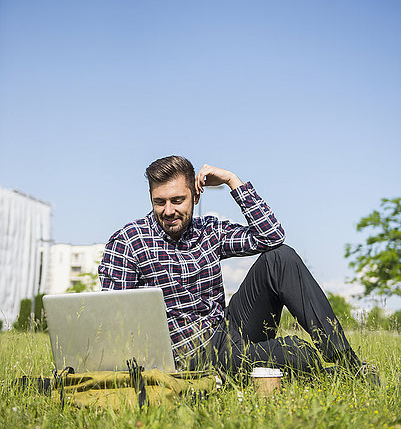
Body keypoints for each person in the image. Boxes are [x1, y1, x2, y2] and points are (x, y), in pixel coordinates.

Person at [98, 156, 372, 379]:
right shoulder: (128, 242)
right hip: (187, 359)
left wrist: (233, 181)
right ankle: (301, 367)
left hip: (226, 332)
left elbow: (271, 237)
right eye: (160, 202)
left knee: (280, 257)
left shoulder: (209, 231)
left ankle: (349, 367)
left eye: (177, 200)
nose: (168, 211)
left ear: (195, 195)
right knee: (295, 351)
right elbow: (115, 321)